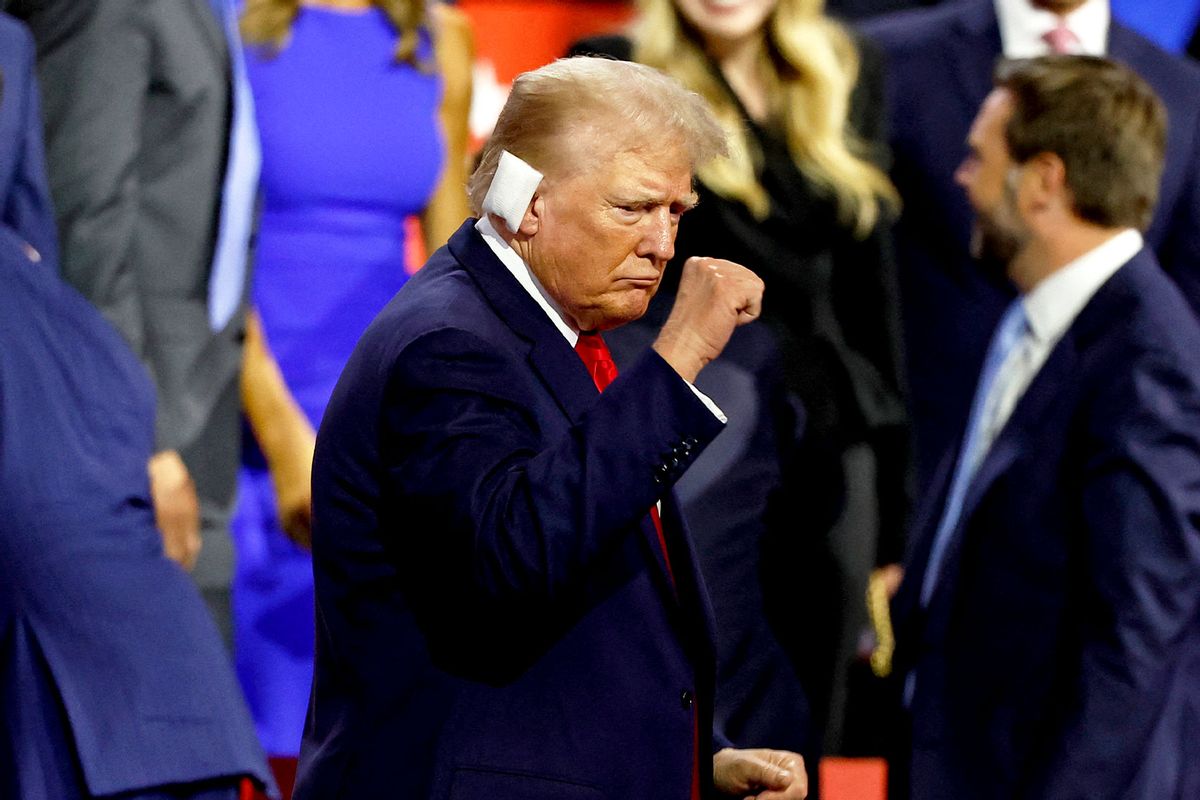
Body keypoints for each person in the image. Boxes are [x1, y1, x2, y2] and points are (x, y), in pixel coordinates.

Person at [295, 56, 810, 800]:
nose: (664, 246)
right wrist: (679, 359)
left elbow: (580, 618)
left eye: (676, 212)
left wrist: (697, 761)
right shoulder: (451, 344)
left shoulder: (547, 331)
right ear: (526, 201)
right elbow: (513, 558)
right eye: (633, 209)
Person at [570, 0, 908, 762]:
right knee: (690, 685)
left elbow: (871, 291)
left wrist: (896, 505)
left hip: (829, 431)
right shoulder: (618, 66)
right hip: (694, 425)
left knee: (811, 703)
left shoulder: (847, 73)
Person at [889, 55, 1200, 799]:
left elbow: (1134, 631)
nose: (961, 178)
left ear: (1044, 181)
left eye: (979, 157)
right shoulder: (1042, 317)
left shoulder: (1145, 357)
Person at [0, 14, 273, 797]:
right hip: (116, 427)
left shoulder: (218, 13)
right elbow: (85, 232)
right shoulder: (107, 8)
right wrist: (128, 442)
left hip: (201, 395)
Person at [232, 0, 473, 757]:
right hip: (246, 399)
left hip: (379, 405)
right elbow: (197, 247)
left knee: (369, 719)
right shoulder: (225, 24)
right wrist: (279, 435)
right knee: (260, 714)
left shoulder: (439, 39)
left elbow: (452, 260)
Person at [860, 0, 1200, 494]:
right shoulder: (885, 57)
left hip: (1099, 480)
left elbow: (1185, 302)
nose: (966, 176)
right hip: (915, 473)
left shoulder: (1185, 92)